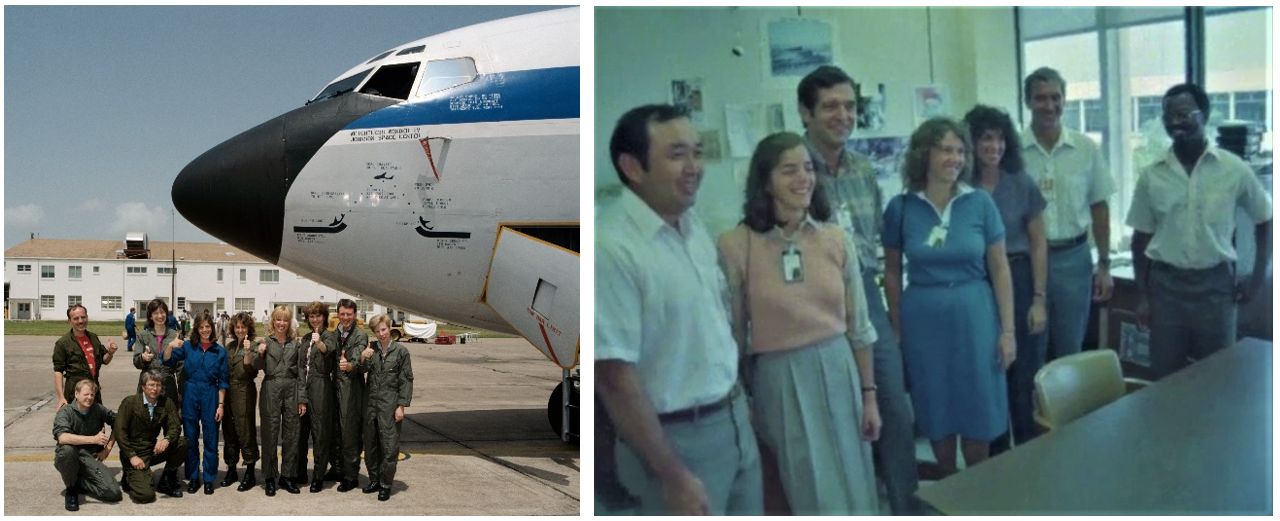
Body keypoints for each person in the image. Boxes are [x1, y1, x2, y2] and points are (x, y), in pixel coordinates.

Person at [596, 104, 763, 516]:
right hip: (675, 442)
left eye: (698, 152)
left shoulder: (694, 228)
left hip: (733, 422)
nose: (694, 167)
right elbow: (615, 376)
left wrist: (740, 409)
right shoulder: (612, 247)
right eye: (677, 155)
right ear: (633, 167)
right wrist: (672, 475)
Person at [718, 132, 881, 514]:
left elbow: (860, 326)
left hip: (840, 367)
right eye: (789, 170)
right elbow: (733, 335)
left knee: (855, 476)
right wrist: (741, 399)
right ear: (766, 181)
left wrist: (869, 396)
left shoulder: (837, 239)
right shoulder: (736, 244)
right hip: (781, 379)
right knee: (806, 486)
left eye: (808, 168)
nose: (803, 178)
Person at [797, 64, 917, 513]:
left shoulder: (864, 169)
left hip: (866, 297)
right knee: (839, 418)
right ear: (805, 112)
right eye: (830, 106)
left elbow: (878, 247)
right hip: (813, 303)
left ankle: (906, 505)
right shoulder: (792, 167)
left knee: (894, 410)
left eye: (849, 106)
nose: (843, 115)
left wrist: (890, 308)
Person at [883, 117, 1016, 477]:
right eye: (946, 149)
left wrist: (1008, 331)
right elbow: (892, 273)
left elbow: (1000, 268)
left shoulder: (980, 203)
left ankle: (978, 490)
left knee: (978, 407)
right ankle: (946, 489)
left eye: (960, 151)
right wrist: (896, 329)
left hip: (975, 315)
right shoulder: (901, 208)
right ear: (924, 153)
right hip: (923, 319)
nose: (955, 158)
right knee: (936, 404)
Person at [1128, 83, 1273, 380]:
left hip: (1216, 289)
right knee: (1165, 381)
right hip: (1166, 289)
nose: (1174, 123)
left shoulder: (1234, 169)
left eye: (1183, 114)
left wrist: (1257, 277)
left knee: (1218, 379)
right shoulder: (1152, 175)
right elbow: (1140, 238)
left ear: (1204, 115)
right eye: (1168, 116)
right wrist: (1143, 295)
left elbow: (1265, 218)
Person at [963, 105, 1049, 455]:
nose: (994, 146)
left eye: (999, 139)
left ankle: (1029, 455)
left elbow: (1039, 243)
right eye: (985, 139)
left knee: (1025, 378)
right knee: (992, 375)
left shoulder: (1021, 182)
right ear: (971, 143)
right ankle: (999, 461)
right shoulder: (961, 187)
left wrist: (1040, 299)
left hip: (1022, 278)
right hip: (980, 285)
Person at [1021, 67, 1115, 360]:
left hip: (1074, 260)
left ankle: (1068, 408)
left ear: (1065, 99)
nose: (1049, 106)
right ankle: (1033, 407)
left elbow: (1099, 208)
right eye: (1040, 98)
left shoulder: (1085, 148)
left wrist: (1103, 264)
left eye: (1055, 97)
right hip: (1027, 261)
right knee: (1032, 349)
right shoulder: (1013, 152)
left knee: (1070, 348)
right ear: (1028, 102)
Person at [162, 311, 229, 495]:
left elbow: (223, 381)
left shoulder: (219, 351)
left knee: (211, 439)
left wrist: (221, 405)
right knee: (190, 439)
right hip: (190, 392)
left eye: (208, 327)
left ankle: (208, 478)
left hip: (211, 394)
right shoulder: (188, 348)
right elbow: (167, 360)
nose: (205, 330)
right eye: (201, 327)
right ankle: (193, 477)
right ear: (196, 329)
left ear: (212, 328)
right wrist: (170, 345)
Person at [354, 313, 413, 501]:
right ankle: (374, 480)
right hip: (370, 404)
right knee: (370, 445)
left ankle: (386, 484)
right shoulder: (372, 349)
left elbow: (406, 380)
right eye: (377, 331)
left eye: (384, 329)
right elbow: (362, 371)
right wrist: (363, 357)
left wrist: (401, 405)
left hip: (389, 404)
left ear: (389, 328)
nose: (381, 334)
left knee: (389, 447)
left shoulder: (401, 352)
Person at [252, 305, 306, 496]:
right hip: (271, 388)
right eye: (278, 319)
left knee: (292, 435)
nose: (281, 323)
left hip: (291, 389)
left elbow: (301, 372)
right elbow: (256, 367)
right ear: (273, 321)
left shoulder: (295, 344)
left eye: (285, 320)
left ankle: (287, 477)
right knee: (270, 434)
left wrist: (302, 399)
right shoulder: (265, 342)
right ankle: (269, 477)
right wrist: (260, 353)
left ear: (289, 322)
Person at [115, 370, 188, 503]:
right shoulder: (130, 403)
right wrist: (132, 456)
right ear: (143, 387)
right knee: (146, 496)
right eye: (151, 385)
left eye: (158, 385)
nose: (155, 389)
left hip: (152, 449)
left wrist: (166, 439)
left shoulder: (166, 403)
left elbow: (175, 427)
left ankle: (167, 479)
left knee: (182, 443)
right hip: (134, 453)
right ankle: (129, 477)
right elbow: (120, 432)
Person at [53, 379, 122, 511]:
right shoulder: (65, 412)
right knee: (67, 449)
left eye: (92, 394)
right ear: (76, 394)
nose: (89, 398)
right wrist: (94, 439)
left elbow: (119, 421)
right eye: (86, 394)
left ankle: (79, 481)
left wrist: (107, 448)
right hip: (69, 457)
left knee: (113, 493)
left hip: (90, 457)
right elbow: (62, 438)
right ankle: (71, 489)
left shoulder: (97, 409)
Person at [295, 301, 338, 492]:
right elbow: (300, 367)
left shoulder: (329, 336)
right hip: (304, 387)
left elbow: (329, 352)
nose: (315, 319)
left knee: (320, 434)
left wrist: (319, 342)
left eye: (318, 316)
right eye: (312, 316)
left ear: (324, 317)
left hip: (321, 388)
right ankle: (300, 472)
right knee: (300, 435)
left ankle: (318, 476)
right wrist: (301, 396)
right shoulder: (305, 339)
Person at [221, 312, 260, 492]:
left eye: (243, 327)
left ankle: (250, 470)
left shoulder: (253, 345)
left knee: (245, 429)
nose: (240, 330)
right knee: (228, 430)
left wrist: (246, 352)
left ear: (248, 328)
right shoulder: (229, 347)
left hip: (244, 390)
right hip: (228, 391)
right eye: (237, 327)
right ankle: (231, 469)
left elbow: (250, 370)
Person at [333, 299, 368, 492]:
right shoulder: (335, 333)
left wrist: (350, 366)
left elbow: (357, 359)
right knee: (335, 430)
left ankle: (351, 475)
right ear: (338, 314)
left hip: (351, 388)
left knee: (350, 432)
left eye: (349, 314)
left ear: (355, 315)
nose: (345, 318)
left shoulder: (360, 335)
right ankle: (338, 468)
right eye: (342, 314)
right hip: (335, 386)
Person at [53, 304, 119, 409]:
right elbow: (58, 371)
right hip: (75, 393)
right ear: (69, 321)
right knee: (76, 423)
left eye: (83, 317)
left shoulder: (93, 338)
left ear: (87, 317)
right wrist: (61, 397)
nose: (80, 321)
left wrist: (111, 352)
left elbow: (105, 360)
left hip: (93, 391)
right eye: (76, 318)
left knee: (97, 422)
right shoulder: (63, 343)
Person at [134, 299, 183, 406]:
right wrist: (142, 358)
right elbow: (136, 362)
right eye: (155, 313)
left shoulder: (175, 336)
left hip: (168, 386)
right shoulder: (143, 336)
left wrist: (181, 390)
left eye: (162, 312)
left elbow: (180, 367)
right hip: (148, 385)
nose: (160, 316)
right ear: (150, 316)